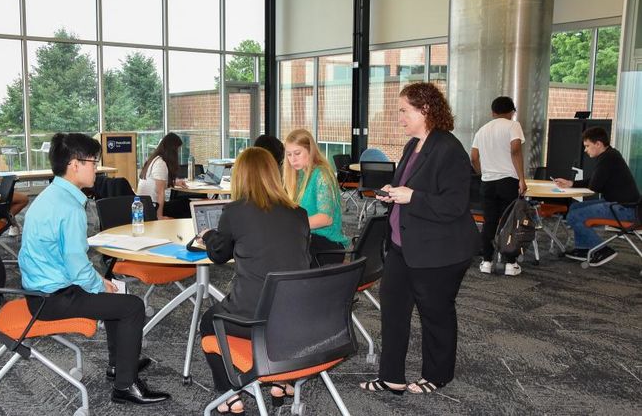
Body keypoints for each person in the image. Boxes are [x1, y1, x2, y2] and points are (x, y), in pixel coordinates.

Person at [18, 133, 170, 406]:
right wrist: (101, 284)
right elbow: (76, 266)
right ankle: (126, 386)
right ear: (75, 164)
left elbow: (69, 260)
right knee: (132, 306)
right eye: (93, 162)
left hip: (41, 288)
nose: (96, 169)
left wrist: (101, 282)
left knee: (113, 294)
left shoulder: (49, 196)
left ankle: (119, 364)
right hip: (53, 299)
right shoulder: (69, 208)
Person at [360, 82, 479, 396]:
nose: (399, 117)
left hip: (441, 250)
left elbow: (454, 205)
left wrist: (412, 196)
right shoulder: (413, 145)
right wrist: (392, 193)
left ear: (426, 110)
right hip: (405, 245)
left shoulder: (449, 149)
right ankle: (391, 377)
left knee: (435, 313)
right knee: (393, 309)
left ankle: (437, 375)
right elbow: (405, 186)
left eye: (404, 110)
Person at [197, 147, 311, 414]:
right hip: (298, 320)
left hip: (254, 319)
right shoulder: (298, 213)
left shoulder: (235, 211)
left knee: (209, 321)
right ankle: (280, 381)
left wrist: (210, 235)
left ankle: (230, 394)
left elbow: (219, 255)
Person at [555, 126, 640, 265]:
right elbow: (595, 180)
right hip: (623, 206)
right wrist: (571, 183)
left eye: (587, 146)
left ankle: (601, 250)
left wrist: (574, 184)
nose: (585, 150)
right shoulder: (610, 155)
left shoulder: (607, 158)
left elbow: (594, 186)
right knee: (575, 208)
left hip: (625, 210)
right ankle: (583, 248)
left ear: (598, 144)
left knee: (574, 215)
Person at [470, 96, 527, 276]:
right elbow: (516, 149)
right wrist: (521, 178)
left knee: (490, 222)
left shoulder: (482, 130)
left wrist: (483, 172)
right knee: (510, 222)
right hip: (508, 181)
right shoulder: (513, 125)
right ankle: (510, 264)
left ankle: (487, 261)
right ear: (512, 112)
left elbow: (473, 157)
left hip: (488, 182)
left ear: (492, 112)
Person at [283, 129, 348, 267]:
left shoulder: (322, 175)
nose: (292, 159)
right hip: (308, 238)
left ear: (310, 150)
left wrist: (291, 224)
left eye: (297, 153)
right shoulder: (298, 176)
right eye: (289, 155)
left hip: (328, 245)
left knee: (282, 257)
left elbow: (326, 218)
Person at [137, 132, 190, 219]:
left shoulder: (154, 159)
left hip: (146, 205)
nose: (178, 153)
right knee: (186, 205)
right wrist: (159, 216)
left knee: (182, 203)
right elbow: (159, 192)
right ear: (172, 150)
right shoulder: (160, 163)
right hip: (152, 208)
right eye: (177, 149)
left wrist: (175, 182)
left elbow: (156, 183)